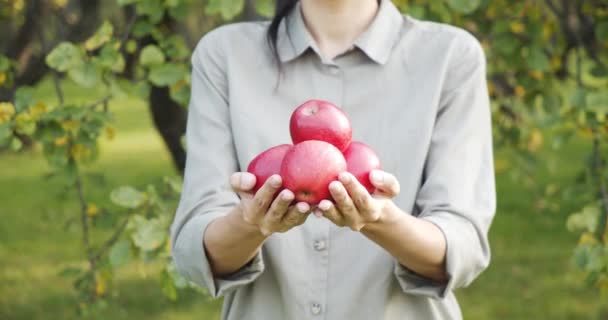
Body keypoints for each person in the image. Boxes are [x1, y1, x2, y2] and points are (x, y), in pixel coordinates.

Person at [170, 0, 496, 319]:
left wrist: (381, 220)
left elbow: (461, 247)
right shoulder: (225, 54)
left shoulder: (451, 56)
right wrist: (249, 223)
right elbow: (194, 251)